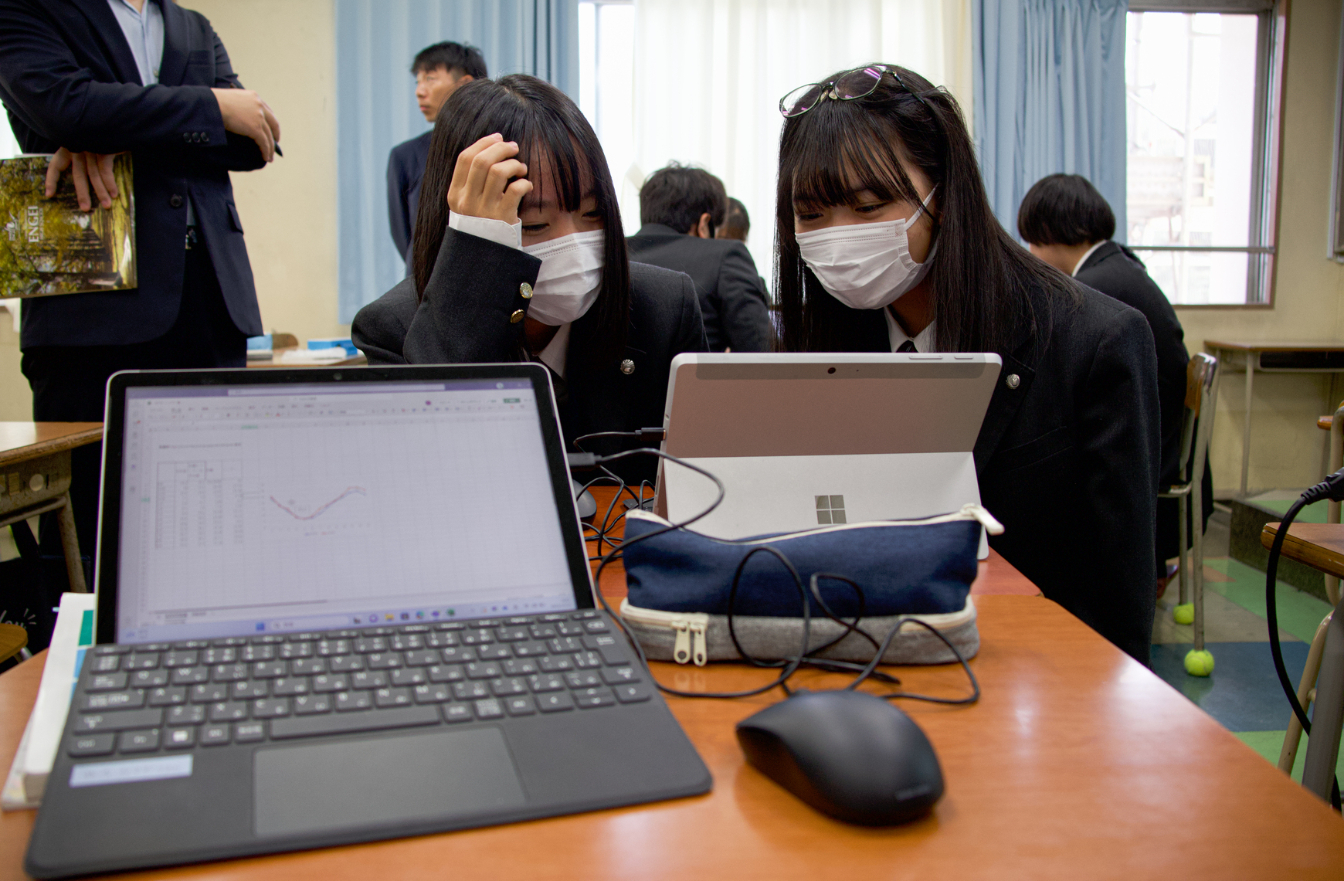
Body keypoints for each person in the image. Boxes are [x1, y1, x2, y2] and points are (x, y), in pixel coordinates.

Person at [773, 64, 1161, 664]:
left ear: (946, 193)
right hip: (852, 653)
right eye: (812, 216)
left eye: (870, 205)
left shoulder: (1093, 342)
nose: (839, 238)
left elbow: (1119, 605)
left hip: (1031, 678)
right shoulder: (819, 335)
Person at [0, 0, 281, 564]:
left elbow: (255, 142)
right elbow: (62, 107)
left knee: (218, 519)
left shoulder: (192, 26)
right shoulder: (25, 1)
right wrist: (211, 106)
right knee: (96, 536)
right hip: (90, 310)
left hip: (210, 301)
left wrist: (109, 126)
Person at [353, 74, 707, 484]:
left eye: (592, 215)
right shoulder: (393, 327)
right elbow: (430, 474)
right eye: (536, 223)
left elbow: (701, 479)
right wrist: (476, 259)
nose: (573, 244)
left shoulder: (663, 306)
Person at [1018, 173, 1211, 594]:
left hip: (1149, 456)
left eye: (1033, 241)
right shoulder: (1122, 267)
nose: (1030, 255)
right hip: (1164, 441)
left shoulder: (1094, 292)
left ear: (1056, 231)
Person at [627, 165, 770, 352]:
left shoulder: (608, 254)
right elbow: (761, 351)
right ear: (704, 224)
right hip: (694, 381)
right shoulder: (725, 256)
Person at [386, 42, 487, 265]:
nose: (419, 91)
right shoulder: (406, 156)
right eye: (418, 81)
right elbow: (406, 240)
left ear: (465, 85)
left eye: (430, 79)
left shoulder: (504, 146)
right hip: (425, 284)